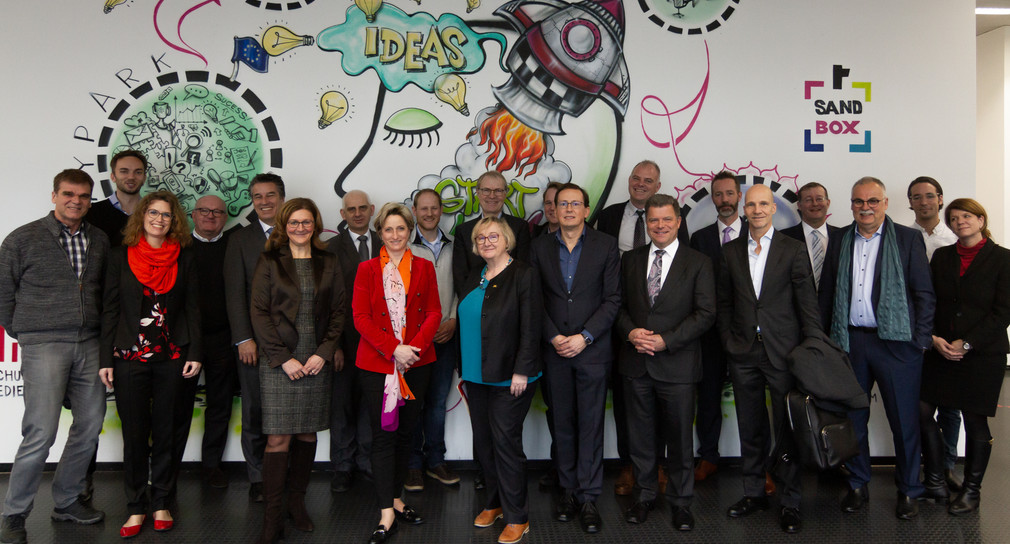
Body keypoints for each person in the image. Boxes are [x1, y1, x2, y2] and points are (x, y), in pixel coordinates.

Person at [0, 169, 109, 544]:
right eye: (68, 194)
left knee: (91, 424)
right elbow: (3, 294)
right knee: (40, 432)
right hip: (44, 343)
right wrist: (27, 333)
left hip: (90, 342)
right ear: (54, 196)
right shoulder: (22, 239)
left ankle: (66, 501)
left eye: (83, 195)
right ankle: (14, 514)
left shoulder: (99, 239)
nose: (75, 201)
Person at [818, 177, 935, 520]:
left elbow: (924, 295)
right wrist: (826, 341)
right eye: (858, 201)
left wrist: (919, 342)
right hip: (850, 341)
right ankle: (857, 484)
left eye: (872, 201)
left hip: (897, 344)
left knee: (904, 421)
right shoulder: (839, 238)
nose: (865, 207)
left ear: (885, 203)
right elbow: (826, 293)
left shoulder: (908, 238)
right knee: (853, 419)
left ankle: (910, 490)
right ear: (851, 204)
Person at [99, 191, 202, 538]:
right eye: (154, 213)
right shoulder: (120, 256)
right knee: (134, 434)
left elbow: (192, 309)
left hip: (173, 356)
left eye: (167, 215)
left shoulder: (184, 258)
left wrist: (196, 352)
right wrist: (105, 359)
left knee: (167, 433)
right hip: (129, 356)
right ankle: (134, 507)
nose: (159, 220)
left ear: (175, 222)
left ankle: (161, 502)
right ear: (141, 216)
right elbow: (110, 309)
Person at [718, 185, 820, 534]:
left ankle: (790, 501)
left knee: (786, 430)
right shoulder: (730, 251)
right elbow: (725, 303)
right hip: (743, 351)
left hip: (783, 352)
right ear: (744, 209)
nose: (757, 210)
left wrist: (809, 348)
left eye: (764, 204)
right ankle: (754, 492)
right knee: (750, 426)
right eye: (751, 205)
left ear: (774, 208)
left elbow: (807, 304)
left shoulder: (793, 249)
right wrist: (729, 341)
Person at [615, 194, 715, 531]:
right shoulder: (629, 259)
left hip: (678, 365)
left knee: (680, 441)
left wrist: (666, 340)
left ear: (678, 222)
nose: (659, 226)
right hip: (636, 363)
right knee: (640, 438)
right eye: (653, 220)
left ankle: (681, 503)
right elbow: (618, 306)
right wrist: (631, 333)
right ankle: (644, 496)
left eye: (666, 220)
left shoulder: (698, 262)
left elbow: (706, 313)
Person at [250, 198, 346, 543]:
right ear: (284, 226)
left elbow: (338, 313)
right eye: (294, 222)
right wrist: (282, 358)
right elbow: (259, 314)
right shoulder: (269, 261)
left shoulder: (329, 261)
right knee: (278, 437)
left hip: (315, 359)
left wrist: (323, 353)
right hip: (280, 360)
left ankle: (297, 504)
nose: (300, 228)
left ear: (315, 225)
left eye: (306, 222)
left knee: (307, 433)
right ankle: (272, 516)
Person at [529, 183, 620, 534]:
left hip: (592, 351)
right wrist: (553, 336)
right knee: (563, 425)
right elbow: (534, 299)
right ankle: (567, 492)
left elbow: (613, 299)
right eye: (561, 203)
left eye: (575, 203)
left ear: (586, 210)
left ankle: (589, 497)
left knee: (591, 425)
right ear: (553, 207)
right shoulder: (538, 248)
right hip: (554, 351)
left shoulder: (606, 246)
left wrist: (584, 337)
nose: (568, 208)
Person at [592, 160, 683, 495]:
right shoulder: (610, 215)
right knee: (627, 400)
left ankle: (657, 466)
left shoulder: (672, 216)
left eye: (649, 181)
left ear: (658, 186)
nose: (641, 184)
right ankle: (631, 465)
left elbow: (681, 271)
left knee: (659, 401)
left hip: (660, 328)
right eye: (636, 179)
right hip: (619, 320)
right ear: (628, 181)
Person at [353, 203, 442, 544]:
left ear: (410, 231)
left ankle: (396, 498)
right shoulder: (366, 270)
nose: (394, 235)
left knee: (407, 433)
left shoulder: (424, 266)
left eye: (401, 229)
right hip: (377, 365)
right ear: (381, 233)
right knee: (384, 435)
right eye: (388, 230)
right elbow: (360, 317)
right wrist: (394, 349)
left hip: (417, 362)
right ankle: (385, 512)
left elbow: (434, 310)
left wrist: (412, 350)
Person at [920, 198, 1010, 515]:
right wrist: (933, 338)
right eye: (954, 218)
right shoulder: (942, 257)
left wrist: (967, 344)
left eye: (967, 216)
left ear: (981, 220)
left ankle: (972, 491)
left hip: (983, 354)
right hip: (941, 349)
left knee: (975, 421)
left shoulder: (1003, 259)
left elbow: (1003, 313)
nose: (960, 222)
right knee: (919, 409)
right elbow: (928, 300)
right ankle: (936, 479)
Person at [460, 216, 542, 544]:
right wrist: (462, 369)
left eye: (494, 237)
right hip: (476, 375)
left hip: (511, 378)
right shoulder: (475, 275)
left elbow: (532, 325)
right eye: (481, 238)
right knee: (484, 443)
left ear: (507, 240)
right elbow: (465, 322)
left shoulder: (524, 274)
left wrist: (522, 369)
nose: (487, 242)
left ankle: (517, 517)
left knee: (506, 444)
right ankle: (493, 503)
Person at [224, 173, 285, 502]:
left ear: (282, 198)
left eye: (270, 195)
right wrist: (243, 338)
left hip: (294, 344)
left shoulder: (299, 233)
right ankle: (259, 477)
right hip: (254, 345)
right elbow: (234, 294)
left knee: (288, 411)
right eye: (258, 196)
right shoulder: (239, 239)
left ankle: (283, 473)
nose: (264, 201)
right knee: (255, 411)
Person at [689, 171, 748, 484]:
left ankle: (758, 464)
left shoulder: (758, 233)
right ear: (712, 198)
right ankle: (708, 456)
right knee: (708, 397)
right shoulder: (700, 238)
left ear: (739, 196)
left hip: (748, 333)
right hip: (710, 332)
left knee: (749, 399)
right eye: (718, 194)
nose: (724, 200)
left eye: (729, 194)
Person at [907, 176, 962, 491]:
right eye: (917, 197)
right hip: (913, 335)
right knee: (917, 408)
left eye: (930, 196)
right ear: (910, 202)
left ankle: (948, 466)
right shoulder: (900, 237)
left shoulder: (956, 238)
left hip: (948, 335)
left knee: (950, 408)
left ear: (940, 199)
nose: (924, 202)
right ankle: (924, 467)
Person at [406, 189, 460, 491]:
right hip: (415, 339)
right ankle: (413, 464)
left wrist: (452, 319)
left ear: (441, 210)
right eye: (423, 209)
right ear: (414, 210)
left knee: (438, 403)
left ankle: (435, 460)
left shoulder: (456, 244)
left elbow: (462, 284)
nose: (429, 213)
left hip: (447, 335)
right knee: (414, 402)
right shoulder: (406, 245)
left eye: (434, 208)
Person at [326, 190, 379, 492]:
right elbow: (327, 302)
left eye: (362, 208)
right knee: (342, 407)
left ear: (372, 210)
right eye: (351, 209)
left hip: (379, 345)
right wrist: (333, 346)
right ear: (343, 214)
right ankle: (342, 468)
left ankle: (367, 463)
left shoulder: (388, 244)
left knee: (371, 407)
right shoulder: (330, 249)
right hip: (344, 345)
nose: (357, 213)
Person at [187, 195, 238, 489]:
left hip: (224, 337)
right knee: (178, 405)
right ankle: (168, 469)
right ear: (193, 214)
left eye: (218, 212)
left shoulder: (235, 245)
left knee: (220, 405)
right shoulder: (178, 246)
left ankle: (211, 466)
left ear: (225, 217)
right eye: (204, 211)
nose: (211, 216)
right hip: (184, 340)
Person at [453, 171, 532, 297]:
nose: (492, 195)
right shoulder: (463, 231)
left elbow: (523, 270)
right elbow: (460, 276)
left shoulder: (520, 227)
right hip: (474, 301)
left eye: (498, 191)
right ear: (478, 193)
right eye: (486, 190)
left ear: (505, 193)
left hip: (510, 302)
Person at [781, 182, 840, 289]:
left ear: (828, 202)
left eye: (819, 199)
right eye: (808, 200)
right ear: (799, 205)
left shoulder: (842, 237)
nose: (815, 204)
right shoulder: (783, 238)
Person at [85, 149, 147, 247]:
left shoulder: (154, 215)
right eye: (124, 171)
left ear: (144, 178)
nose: (131, 177)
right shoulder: (91, 213)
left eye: (138, 172)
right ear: (113, 177)